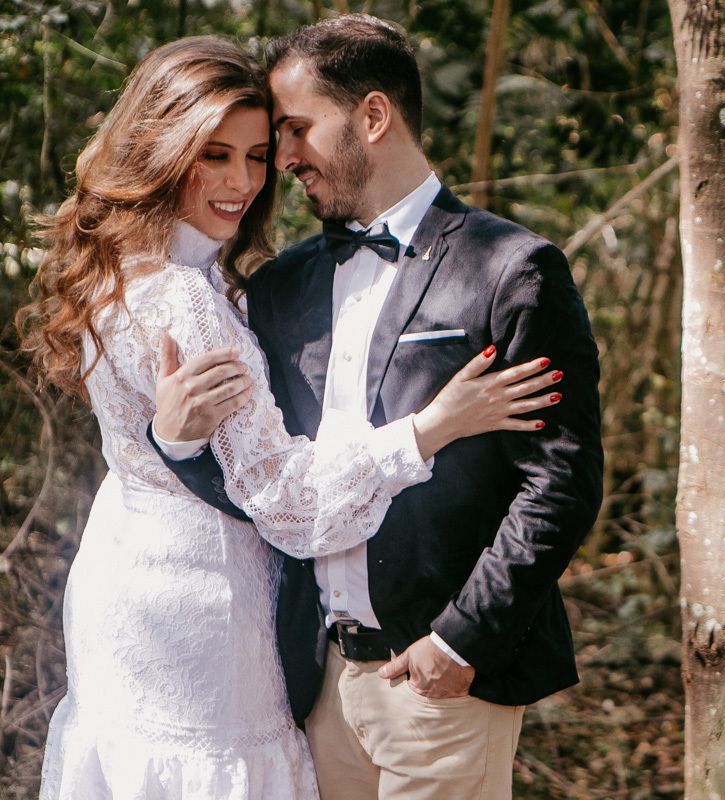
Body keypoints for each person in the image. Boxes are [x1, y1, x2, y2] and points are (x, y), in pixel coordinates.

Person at [22, 37, 561, 799]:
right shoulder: (190, 295)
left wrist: (465, 635)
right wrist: (430, 427)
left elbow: (560, 482)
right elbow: (283, 496)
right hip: (208, 608)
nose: (246, 179)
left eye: (258, 152)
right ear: (162, 149)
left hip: (140, 589)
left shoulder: (138, 275)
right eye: (215, 154)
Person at [153, 14, 604, 800]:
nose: (281, 160)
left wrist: (462, 640)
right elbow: (265, 483)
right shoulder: (278, 289)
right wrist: (176, 443)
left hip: (438, 684)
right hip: (312, 682)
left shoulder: (512, 269)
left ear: (372, 115)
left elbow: (561, 483)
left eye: (296, 130)